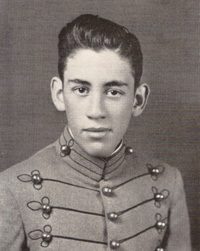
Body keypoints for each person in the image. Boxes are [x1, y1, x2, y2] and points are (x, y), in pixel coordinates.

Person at [0, 14, 191, 251]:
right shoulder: (12, 188)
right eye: (81, 89)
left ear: (138, 100)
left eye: (113, 92)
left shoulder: (167, 182)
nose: (96, 111)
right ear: (59, 95)